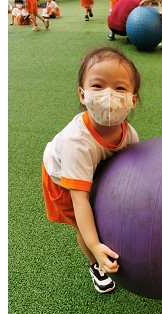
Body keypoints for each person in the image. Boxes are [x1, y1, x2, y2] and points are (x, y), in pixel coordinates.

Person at [42, 47, 142, 294]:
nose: (108, 95)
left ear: (133, 99)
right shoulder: (77, 142)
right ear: (82, 94)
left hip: (95, 168)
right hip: (62, 178)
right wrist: (96, 245)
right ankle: (95, 265)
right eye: (97, 86)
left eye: (120, 88)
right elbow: (79, 201)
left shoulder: (128, 133)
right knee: (85, 223)